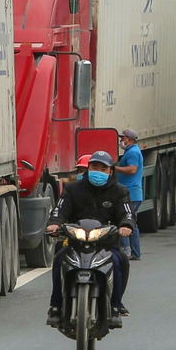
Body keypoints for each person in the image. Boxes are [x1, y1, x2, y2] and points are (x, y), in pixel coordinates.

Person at [46, 151, 134, 327]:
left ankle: (115, 306)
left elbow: (127, 213)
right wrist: (55, 224)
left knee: (121, 262)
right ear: (89, 168)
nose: (98, 171)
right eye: (95, 167)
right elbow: (60, 210)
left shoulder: (120, 191)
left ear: (110, 171)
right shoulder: (72, 189)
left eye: (103, 168)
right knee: (59, 260)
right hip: (77, 242)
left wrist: (126, 226)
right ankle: (55, 307)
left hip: (106, 244)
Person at [115, 128, 144, 260]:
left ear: (129, 139)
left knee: (125, 221)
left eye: (123, 138)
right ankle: (135, 252)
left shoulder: (132, 153)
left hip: (131, 193)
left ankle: (126, 251)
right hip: (133, 193)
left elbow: (132, 169)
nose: (121, 140)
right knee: (132, 222)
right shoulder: (131, 151)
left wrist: (113, 168)